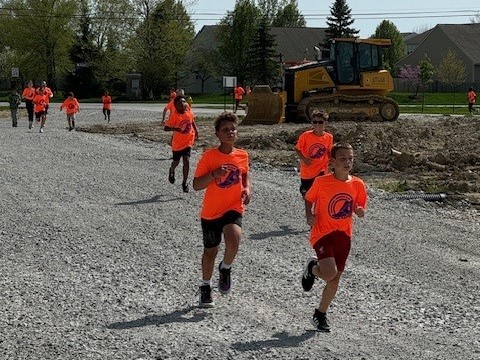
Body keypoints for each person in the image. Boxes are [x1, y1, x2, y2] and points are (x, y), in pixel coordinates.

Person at [301, 143, 367, 332]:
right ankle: (313, 268)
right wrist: (308, 215)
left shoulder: (357, 184)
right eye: (343, 158)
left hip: (344, 235)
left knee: (334, 279)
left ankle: (320, 314)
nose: (347, 162)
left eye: (350, 158)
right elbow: (308, 198)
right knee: (329, 273)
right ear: (332, 162)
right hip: (322, 233)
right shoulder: (322, 182)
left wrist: (360, 211)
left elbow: (360, 206)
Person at [192, 112, 251, 308]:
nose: (230, 132)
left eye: (233, 129)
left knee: (234, 240)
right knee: (210, 251)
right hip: (211, 212)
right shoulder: (210, 156)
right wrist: (214, 174)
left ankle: (225, 268)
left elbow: (244, 175)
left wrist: (246, 189)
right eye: (225, 130)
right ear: (217, 134)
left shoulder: (242, 155)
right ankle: (206, 286)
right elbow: (197, 185)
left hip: (233, 207)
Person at [295, 109, 334, 212]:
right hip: (307, 171)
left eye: (320, 122)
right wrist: (304, 159)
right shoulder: (306, 136)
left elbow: (329, 151)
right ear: (312, 123)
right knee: (307, 196)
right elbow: (297, 149)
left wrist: (332, 161)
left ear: (325, 123)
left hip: (321, 169)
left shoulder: (329, 137)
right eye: (315, 122)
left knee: (320, 194)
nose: (317, 125)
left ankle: (316, 215)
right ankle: (309, 213)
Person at [163, 95, 199, 193]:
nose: (183, 104)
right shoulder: (174, 115)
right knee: (176, 162)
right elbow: (166, 128)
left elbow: (192, 121)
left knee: (186, 161)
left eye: (184, 102)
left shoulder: (188, 111)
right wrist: (175, 128)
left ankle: (184, 183)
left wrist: (196, 130)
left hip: (188, 141)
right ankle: (171, 170)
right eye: (180, 103)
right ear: (176, 106)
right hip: (177, 143)